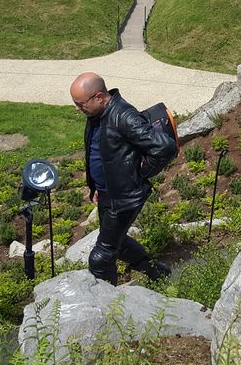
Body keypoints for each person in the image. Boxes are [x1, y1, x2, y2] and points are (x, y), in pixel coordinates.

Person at [70, 73, 176, 284]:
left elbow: (165, 147)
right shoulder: (96, 115)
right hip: (108, 193)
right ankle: (157, 274)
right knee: (117, 244)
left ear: (99, 97)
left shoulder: (124, 116)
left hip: (124, 197)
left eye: (81, 104)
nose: (78, 109)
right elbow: (102, 153)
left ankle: (107, 302)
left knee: (101, 258)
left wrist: (141, 172)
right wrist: (98, 186)